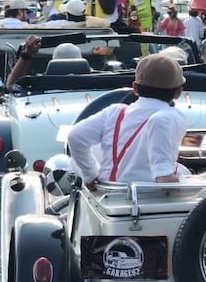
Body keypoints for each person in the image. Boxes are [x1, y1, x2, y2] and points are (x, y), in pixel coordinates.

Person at [67, 53, 187, 188]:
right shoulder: (172, 116)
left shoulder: (114, 112)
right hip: (153, 199)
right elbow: (164, 176)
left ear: (135, 88)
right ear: (178, 92)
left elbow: (75, 136)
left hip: (108, 194)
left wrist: (90, 174)